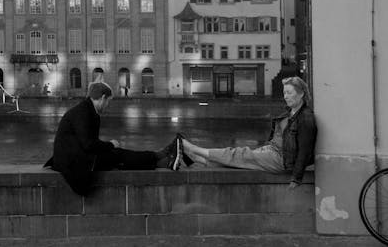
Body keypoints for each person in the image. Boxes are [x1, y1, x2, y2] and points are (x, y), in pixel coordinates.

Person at [44, 81, 183, 196]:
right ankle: (159, 156)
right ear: (103, 98)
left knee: (118, 156)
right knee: (118, 155)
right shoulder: (83, 113)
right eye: (108, 101)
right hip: (72, 163)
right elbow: (88, 144)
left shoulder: (87, 111)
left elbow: (89, 145)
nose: (108, 106)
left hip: (76, 158)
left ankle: (161, 161)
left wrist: (108, 147)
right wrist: (110, 145)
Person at [180, 76, 317, 188]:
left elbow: (305, 150)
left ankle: (196, 150)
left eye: (289, 93)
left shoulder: (306, 118)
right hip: (273, 150)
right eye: (284, 93)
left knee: (241, 154)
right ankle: (203, 161)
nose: (285, 96)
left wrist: (296, 178)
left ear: (301, 94)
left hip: (282, 159)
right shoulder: (290, 112)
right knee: (241, 161)